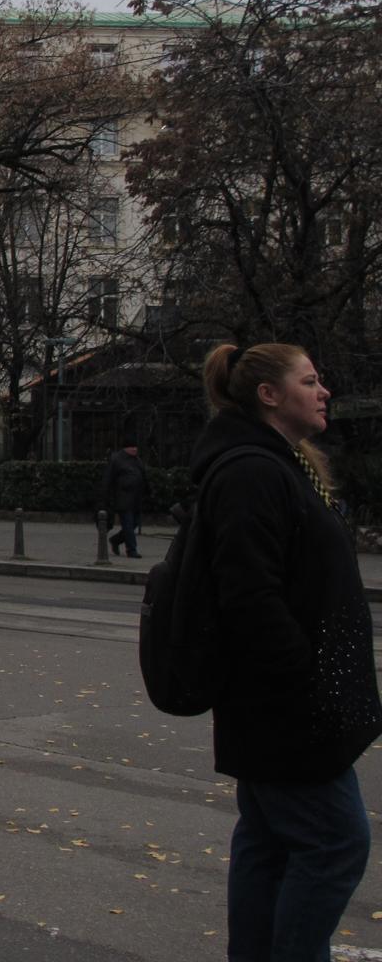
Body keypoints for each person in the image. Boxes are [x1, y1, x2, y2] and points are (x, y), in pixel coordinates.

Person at [194, 342, 381, 958]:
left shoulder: (280, 463)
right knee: (336, 843)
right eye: (310, 380)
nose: (323, 391)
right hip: (288, 708)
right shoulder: (254, 470)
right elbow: (249, 594)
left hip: (279, 704)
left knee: (271, 842)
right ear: (268, 395)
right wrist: (304, 679)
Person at [101, 435, 147, 558]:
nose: (135, 449)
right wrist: (107, 497)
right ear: (126, 448)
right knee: (128, 524)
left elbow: (143, 476)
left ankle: (116, 540)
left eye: (136, 447)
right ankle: (131, 550)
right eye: (132, 447)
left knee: (134, 523)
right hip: (123, 498)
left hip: (136, 498)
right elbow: (108, 479)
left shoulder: (137, 460)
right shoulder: (116, 460)